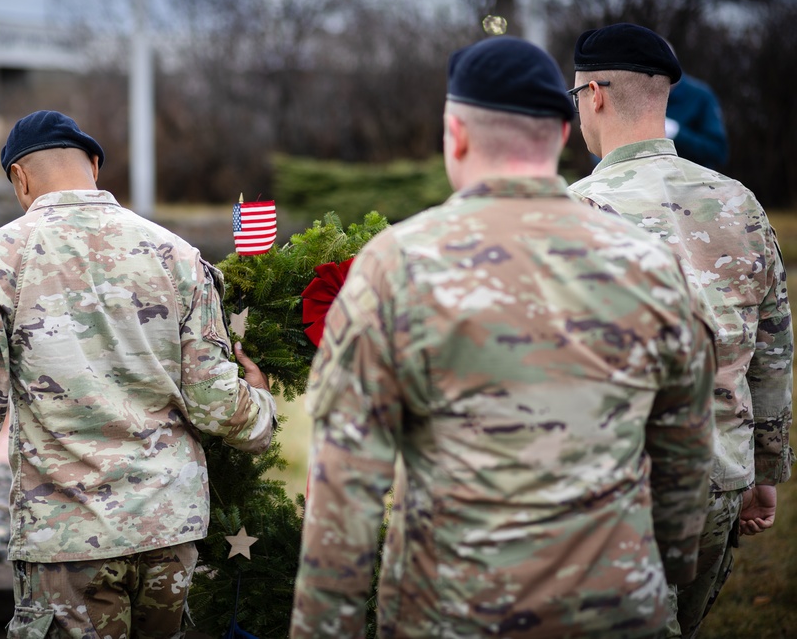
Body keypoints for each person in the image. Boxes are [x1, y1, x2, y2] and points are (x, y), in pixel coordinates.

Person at [290, 36, 717, 638]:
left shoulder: (396, 266)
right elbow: (686, 445)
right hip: (616, 610)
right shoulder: (647, 264)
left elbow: (346, 486)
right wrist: (670, 560)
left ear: (456, 134)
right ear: (562, 135)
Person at [0, 110, 277, 638]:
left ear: (20, 177)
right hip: (168, 538)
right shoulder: (178, 254)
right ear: (95, 166)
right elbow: (217, 404)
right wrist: (261, 406)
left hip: (67, 545)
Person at [567, 23, 793, 638]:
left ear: (595, 94)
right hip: (721, 477)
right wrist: (765, 474)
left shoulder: (572, 213)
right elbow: (771, 351)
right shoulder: (741, 203)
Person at [663, 43, 729, 169]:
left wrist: (678, 133)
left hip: (693, 183)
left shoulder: (702, 97)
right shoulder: (640, 95)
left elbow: (718, 151)